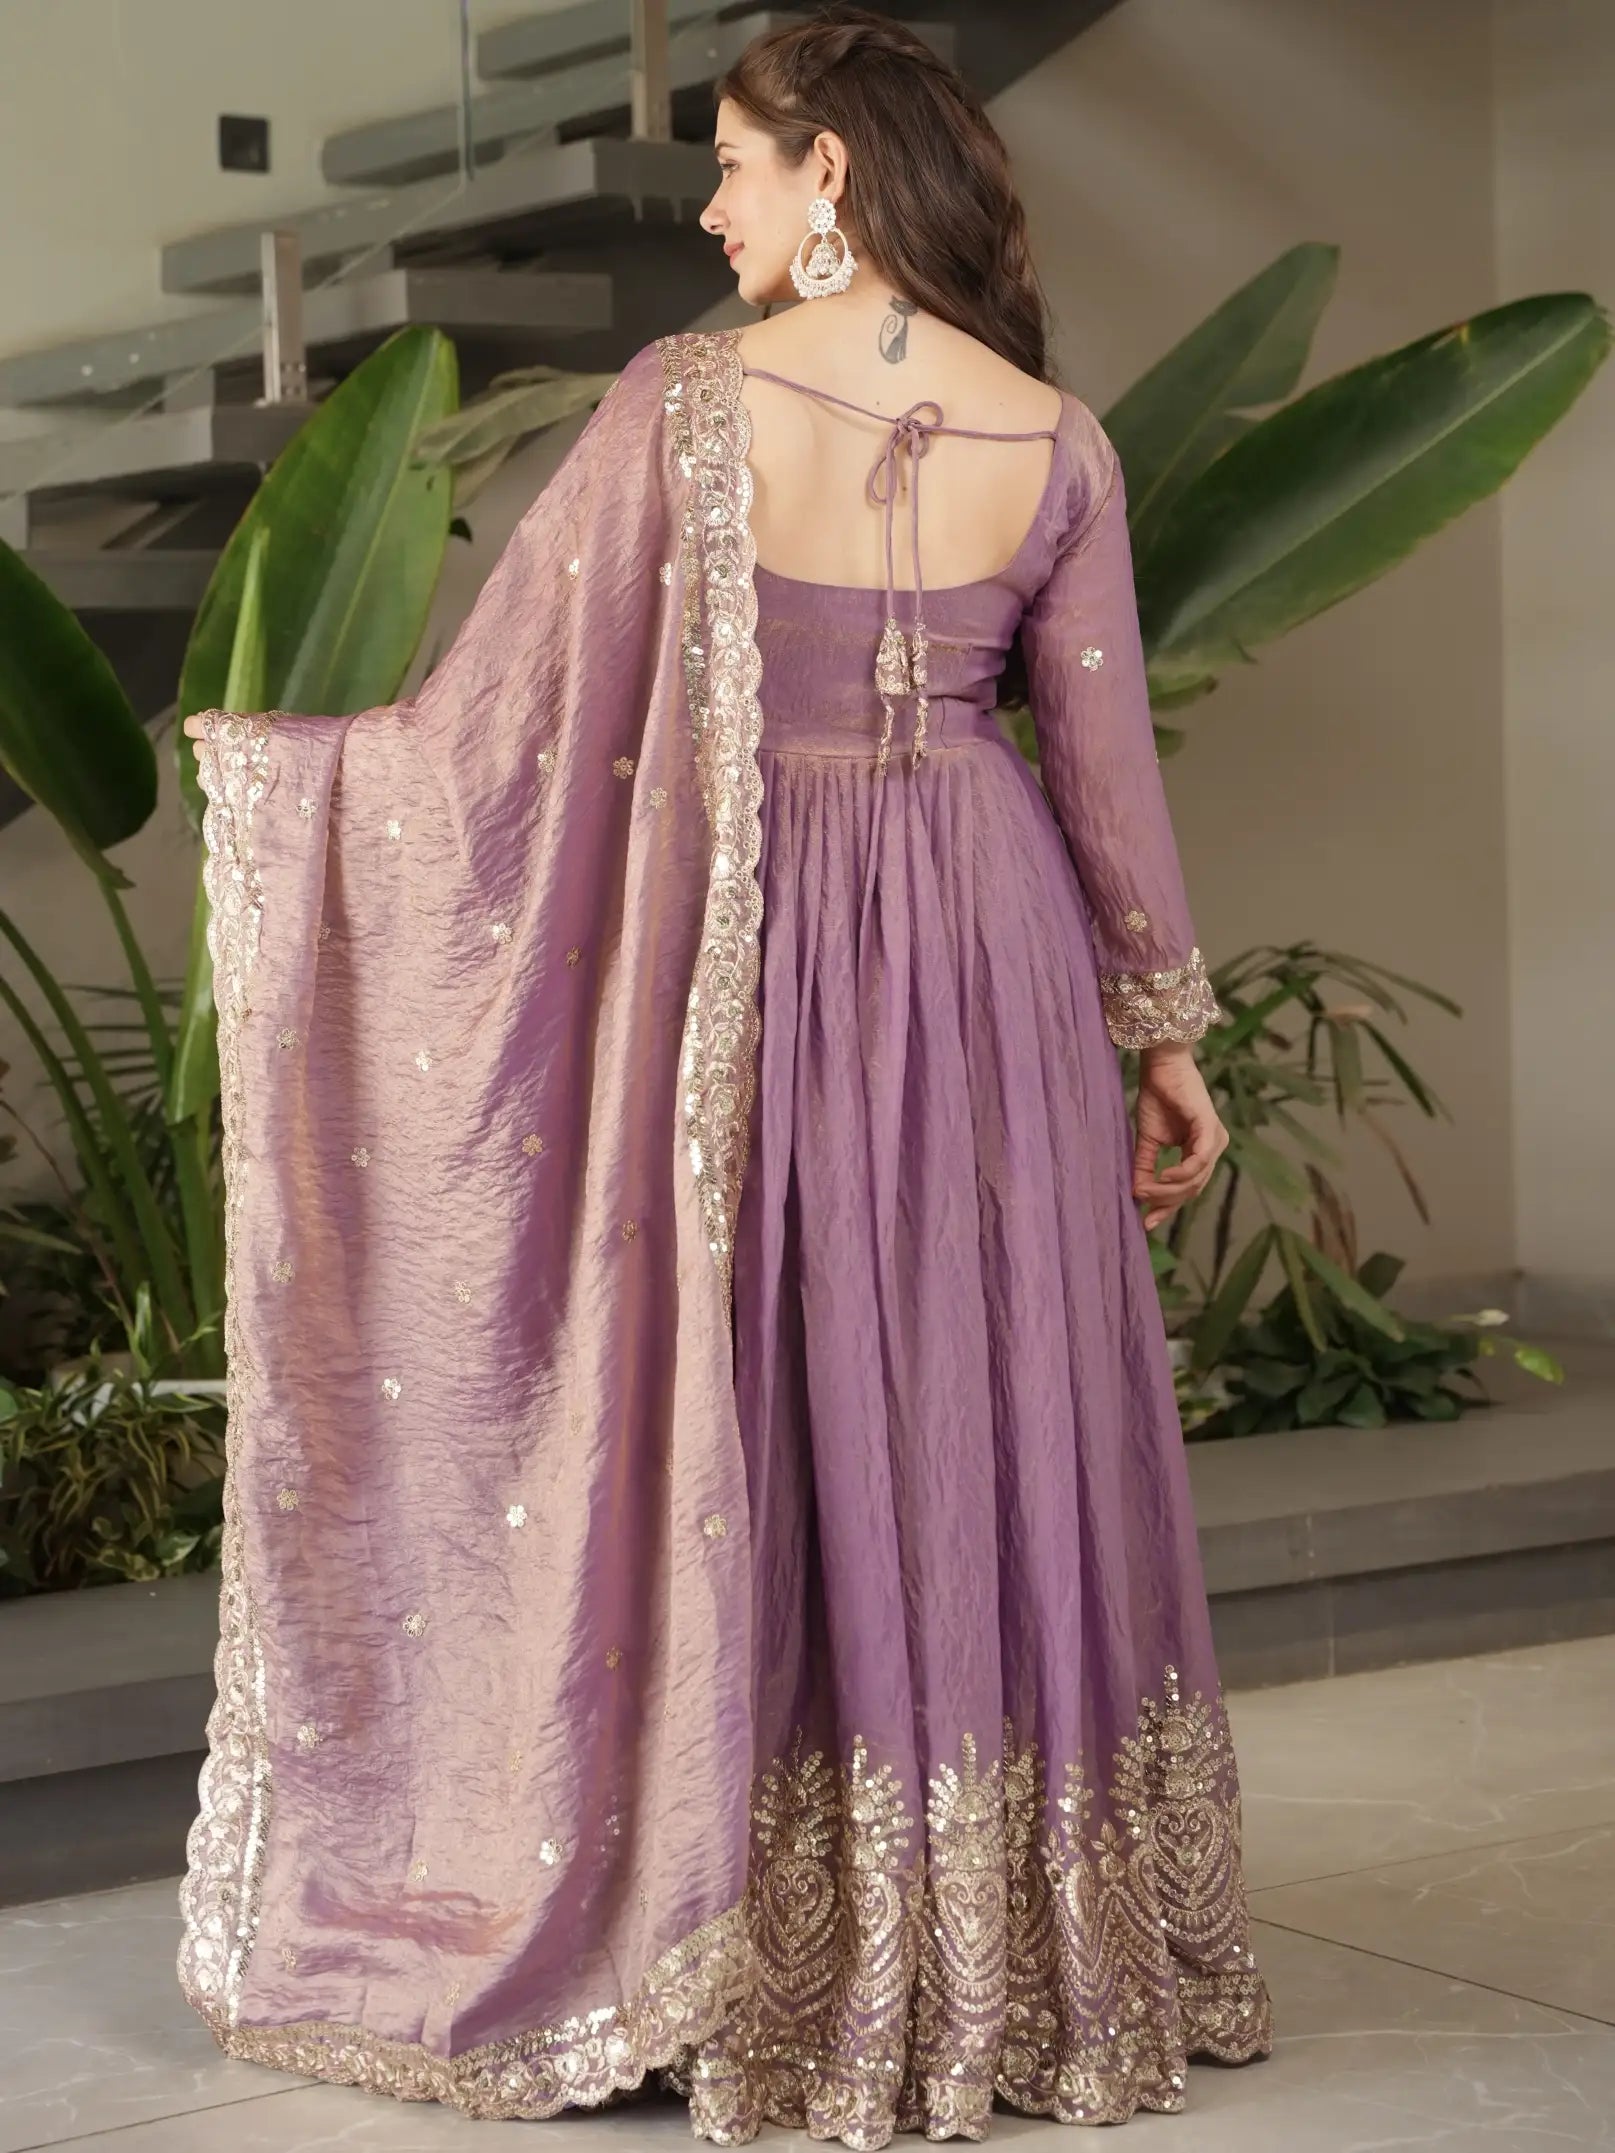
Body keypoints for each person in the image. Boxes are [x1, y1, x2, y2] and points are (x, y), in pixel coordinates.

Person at [176, 5, 1272, 2140]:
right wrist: (1165, 1038)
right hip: (993, 947)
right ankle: (1000, 1949)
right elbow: (1109, 790)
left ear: (832, 177)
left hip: (755, 969)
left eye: (737, 164)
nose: (709, 205)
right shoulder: (1053, 435)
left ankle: (754, 1931)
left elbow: (490, 737)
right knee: (965, 1397)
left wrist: (280, 787)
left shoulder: (682, 410)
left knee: (762, 1402)